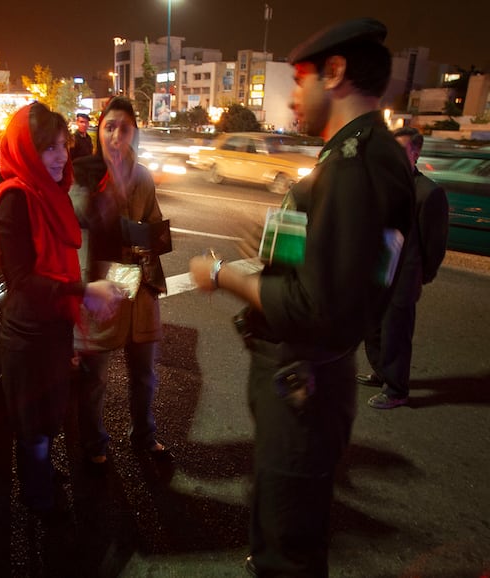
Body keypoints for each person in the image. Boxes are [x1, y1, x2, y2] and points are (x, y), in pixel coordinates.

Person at [188, 18, 415, 576]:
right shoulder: (371, 155)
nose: (293, 97)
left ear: (334, 73)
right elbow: (357, 273)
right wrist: (279, 256)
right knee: (285, 520)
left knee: (287, 547)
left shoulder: (352, 166)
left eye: (299, 79)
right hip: (316, 378)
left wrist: (225, 276)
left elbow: (316, 306)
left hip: (303, 385)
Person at [0, 102, 120, 516]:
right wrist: (83, 291)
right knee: (33, 427)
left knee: (49, 416)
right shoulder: (16, 198)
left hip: (53, 328)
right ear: (26, 148)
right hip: (28, 337)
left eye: (63, 146)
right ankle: (37, 498)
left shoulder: (53, 192)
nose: (61, 156)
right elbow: (22, 281)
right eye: (49, 148)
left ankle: (41, 473)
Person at [70, 96, 171, 473]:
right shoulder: (84, 174)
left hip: (137, 287)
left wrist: (151, 238)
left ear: (133, 134)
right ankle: (94, 443)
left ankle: (143, 435)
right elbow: (75, 232)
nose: (115, 136)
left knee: (144, 375)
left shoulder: (142, 176)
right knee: (94, 379)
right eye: (109, 127)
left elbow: (155, 222)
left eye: (124, 129)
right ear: (99, 130)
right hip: (98, 290)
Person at [360, 127, 450, 409]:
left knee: (396, 333)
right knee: (372, 327)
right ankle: (381, 372)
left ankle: (397, 389)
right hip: (377, 271)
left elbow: (434, 244)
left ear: (416, 152)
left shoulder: (428, 192)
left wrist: (424, 274)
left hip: (404, 275)